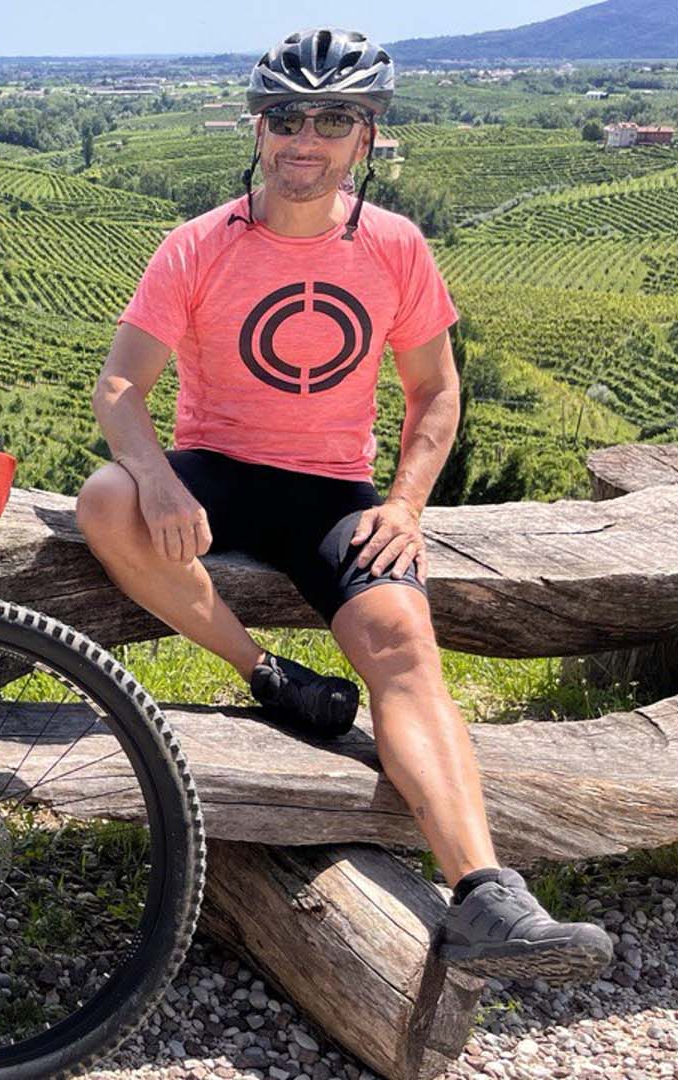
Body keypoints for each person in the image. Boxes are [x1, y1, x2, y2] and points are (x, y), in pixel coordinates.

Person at [77, 27, 613, 984]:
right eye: (288, 117)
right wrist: (158, 480)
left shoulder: (397, 248)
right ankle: (268, 673)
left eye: (334, 120)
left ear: (365, 137)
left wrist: (406, 507)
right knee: (107, 498)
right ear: (258, 126)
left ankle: (486, 894)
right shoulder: (197, 244)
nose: (306, 139)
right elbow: (120, 387)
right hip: (218, 465)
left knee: (404, 643)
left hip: (334, 490)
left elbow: (436, 392)